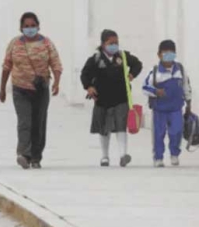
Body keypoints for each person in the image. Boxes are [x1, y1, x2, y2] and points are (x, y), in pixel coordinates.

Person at [0, 12, 63, 170]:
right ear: (21, 28)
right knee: (24, 122)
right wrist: (2, 89)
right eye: (26, 26)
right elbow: (7, 66)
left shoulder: (47, 43)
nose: (30, 29)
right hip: (20, 89)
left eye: (32, 25)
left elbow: (56, 64)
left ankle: (36, 157)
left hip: (41, 89)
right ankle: (24, 154)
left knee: (38, 123)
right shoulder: (14, 44)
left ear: (38, 26)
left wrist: (56, 83)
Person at [81, 29, 143, 167]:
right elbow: (85, 74)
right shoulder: (95, 59)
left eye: (116, 43)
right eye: (111, 43)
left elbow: (137, 64)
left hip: (121, 98)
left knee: (121, 126)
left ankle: (123, 155)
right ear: (103, 44)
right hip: (102, 99)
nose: (114, 45)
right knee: (104, 129)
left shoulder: (123, 56)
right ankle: (104, 156)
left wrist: (132, 74)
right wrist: (89, 87)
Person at [142, 40, 192, 168]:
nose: (168, 55)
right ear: (159, 55)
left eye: (171, 53)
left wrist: (189, 104)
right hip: (160, 109)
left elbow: (186, 87)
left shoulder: (180, 70)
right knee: (158, 134)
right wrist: (156, 91)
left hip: (176, 108)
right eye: (165, 53)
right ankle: (158, 158)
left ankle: (174, 154)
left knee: (176, 132)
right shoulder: (155, 72)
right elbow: (144, 87)